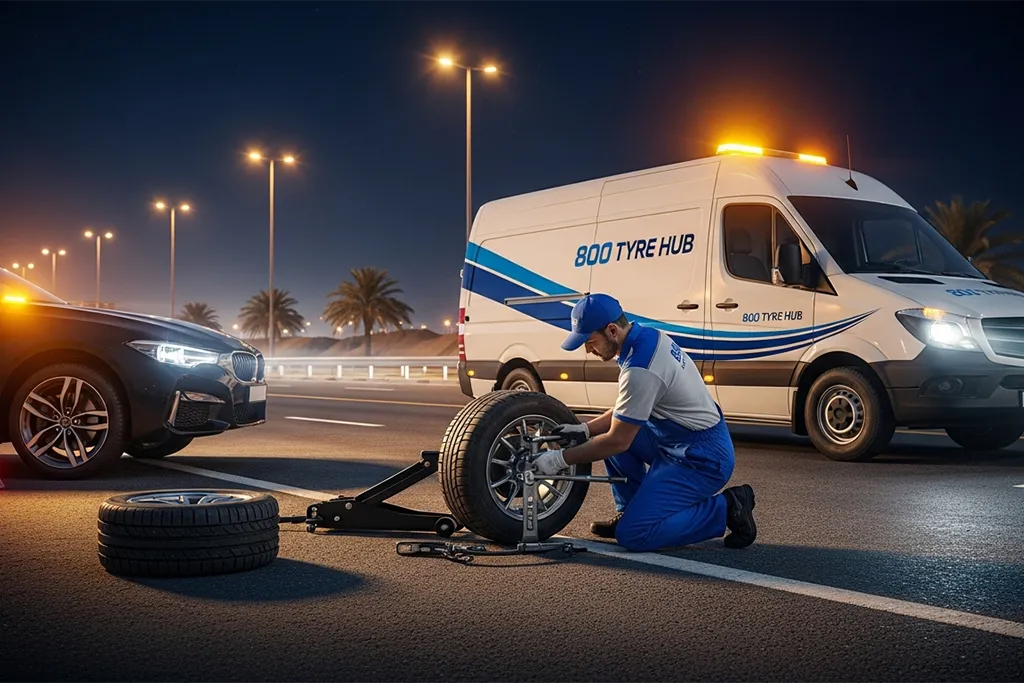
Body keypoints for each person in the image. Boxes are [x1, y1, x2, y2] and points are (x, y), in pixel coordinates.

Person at [531, 293, 757, 551]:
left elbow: (618, 439)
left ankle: (727, 507)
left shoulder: (642, 366)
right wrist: (585, 428)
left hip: (701, 458)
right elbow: (628, 409)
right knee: (609, 436)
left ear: (612, 330)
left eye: (590, 341)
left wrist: (559, 459)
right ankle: (630, 511)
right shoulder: (645, 338)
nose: (587, 349)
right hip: (675, 437)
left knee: (635, 535)